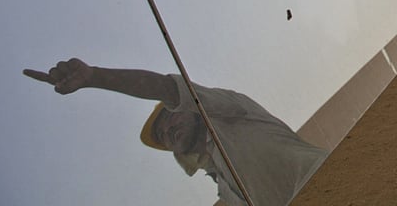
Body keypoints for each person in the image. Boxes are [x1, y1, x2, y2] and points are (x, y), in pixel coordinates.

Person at [24, 58, 328, 206]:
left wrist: (96, 77)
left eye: (169, 116)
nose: (167, 130)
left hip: (335, 181)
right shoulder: (222, 188)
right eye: (162, 136)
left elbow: (165, 87)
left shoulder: (232, 112)